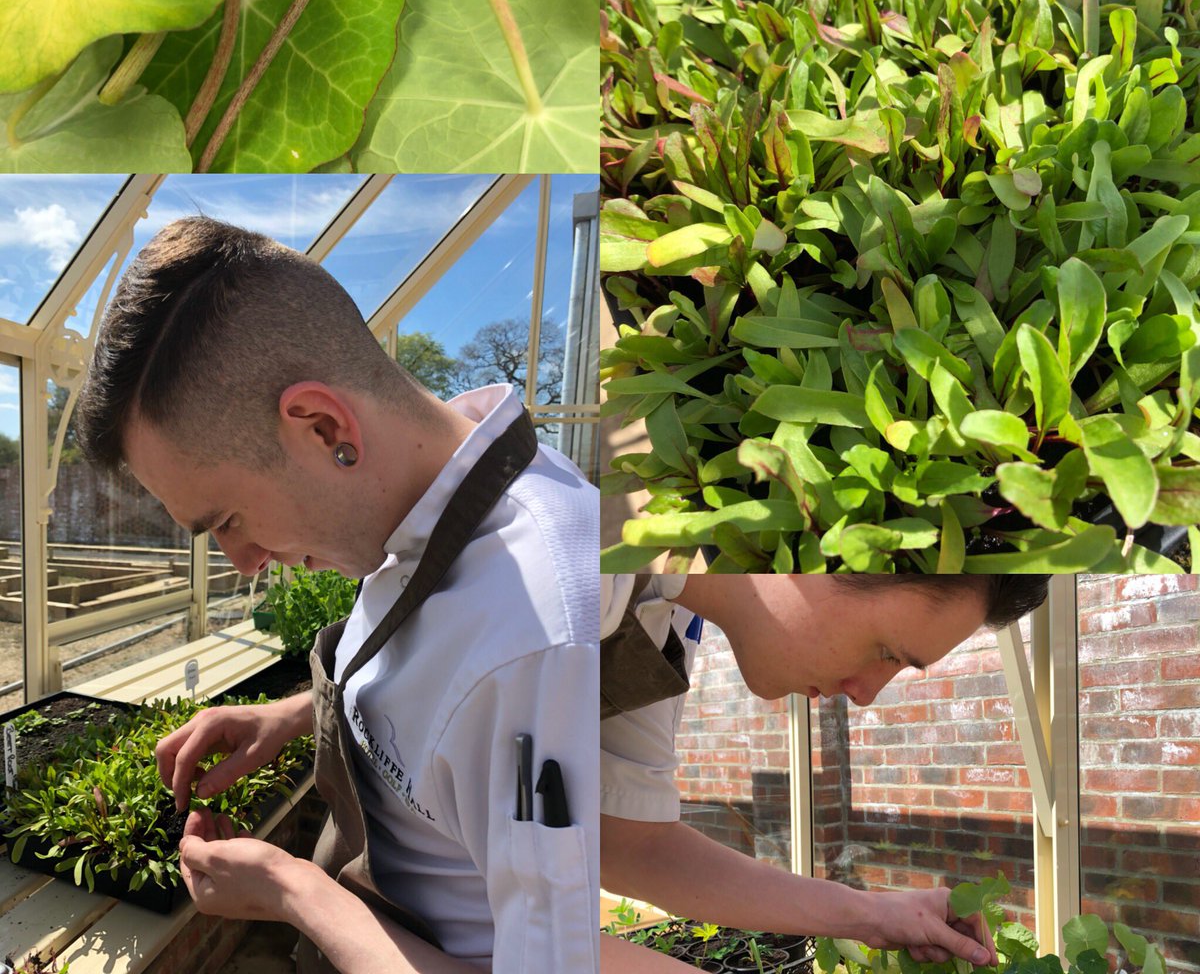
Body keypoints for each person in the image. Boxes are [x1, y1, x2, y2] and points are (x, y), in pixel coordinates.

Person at [73, 216, 599, 974]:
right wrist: (291, 715)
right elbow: (432, 700)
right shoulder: (410, 510)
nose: (245, 563)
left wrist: (293, 890)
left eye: (228, 520)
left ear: (323, 428)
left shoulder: (539, 632)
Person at [600, 572, 1053, 972]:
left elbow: (628, 842)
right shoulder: (578, 557)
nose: (867, 694)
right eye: (886, 652)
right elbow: (528, 916)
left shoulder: (671, 624)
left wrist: (871, 915)